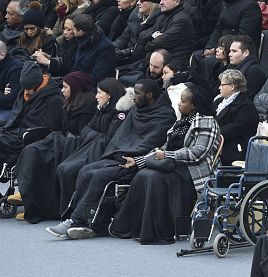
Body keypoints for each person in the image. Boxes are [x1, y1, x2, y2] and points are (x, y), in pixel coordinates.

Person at [47, 79, 177, 239]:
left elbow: (153, 141)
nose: (133, 97)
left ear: (149, 95)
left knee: (99, 176)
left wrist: (134, 157)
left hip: (137, 162)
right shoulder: (137, 110)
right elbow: (122, 136)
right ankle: (84, 218)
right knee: (85, 170)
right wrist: (117, 153)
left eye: (137, 93)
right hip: (119, 156)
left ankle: (75, 221)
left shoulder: (165, 115)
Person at [109, 84, 221, 244]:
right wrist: (138, 160)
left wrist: (168, 155)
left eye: (183, 101)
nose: (179, 104)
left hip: (191, 171)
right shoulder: (181, 121)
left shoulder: (207, 123)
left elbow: (197, 153)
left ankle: (158, 231)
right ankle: (134, 227)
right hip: (171, 164)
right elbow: (164, 147)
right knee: (143, 175)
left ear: (194, 105)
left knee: (154, 178)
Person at [15, 78, 130, 224]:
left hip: (102, 153)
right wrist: (95, 135)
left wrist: (93, 134)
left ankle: (71, 214)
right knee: (60, 166)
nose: (96, 96)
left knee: (68, 170)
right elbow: (87, 130)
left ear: (109, 95)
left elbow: (109, 139)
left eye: (99, 93)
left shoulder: (119, 114)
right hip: (89, 148)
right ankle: (63, 212)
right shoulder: (101, 109)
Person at [0, 61, 65, 204]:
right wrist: (5, 128)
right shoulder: (25, 92)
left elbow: (48, 127)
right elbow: (15, 116)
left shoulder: (54, 99)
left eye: (29, 88)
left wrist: (14, 131)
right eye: (25, 88)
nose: (26, 92)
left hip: (28, 138)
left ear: (37, 84)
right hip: (14, 132)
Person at [214, 69, 260, 166]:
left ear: (232, 86)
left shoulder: (246, 105)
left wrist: (213, 132)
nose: (219, 87)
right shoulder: (218, 102)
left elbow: (236, 128)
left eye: (222, 85)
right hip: (217, 141)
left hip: (234, 147)